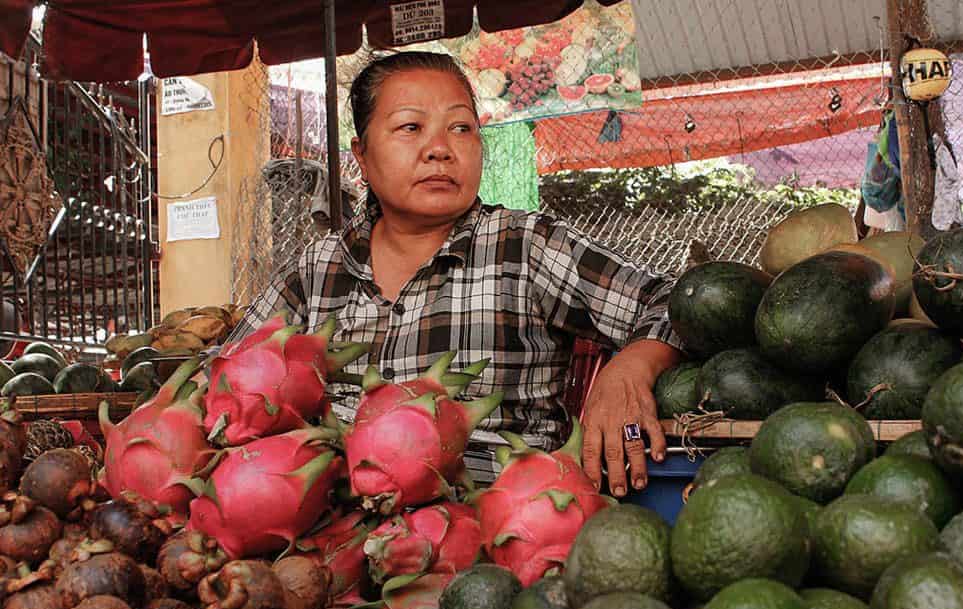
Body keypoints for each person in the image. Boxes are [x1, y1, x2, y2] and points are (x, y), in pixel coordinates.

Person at [236, 51, 682, 495]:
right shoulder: (317, 269)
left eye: (461, 128)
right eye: (411, 128)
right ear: (363, 156)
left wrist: (632, 366)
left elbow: (676, 302)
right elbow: (224, 382)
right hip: (341, 531)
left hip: (500, 528)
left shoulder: (524, 246)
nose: (440, 150)